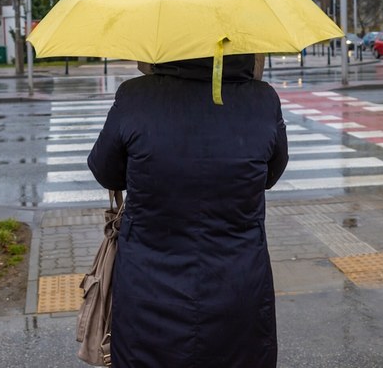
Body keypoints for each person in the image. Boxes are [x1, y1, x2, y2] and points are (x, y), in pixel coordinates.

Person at [87, 53, 289, 367]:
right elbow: (271, 174)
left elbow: (105, 171)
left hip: (148, 287)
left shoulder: (136, 95)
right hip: (238, 283)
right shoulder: (262, 99)